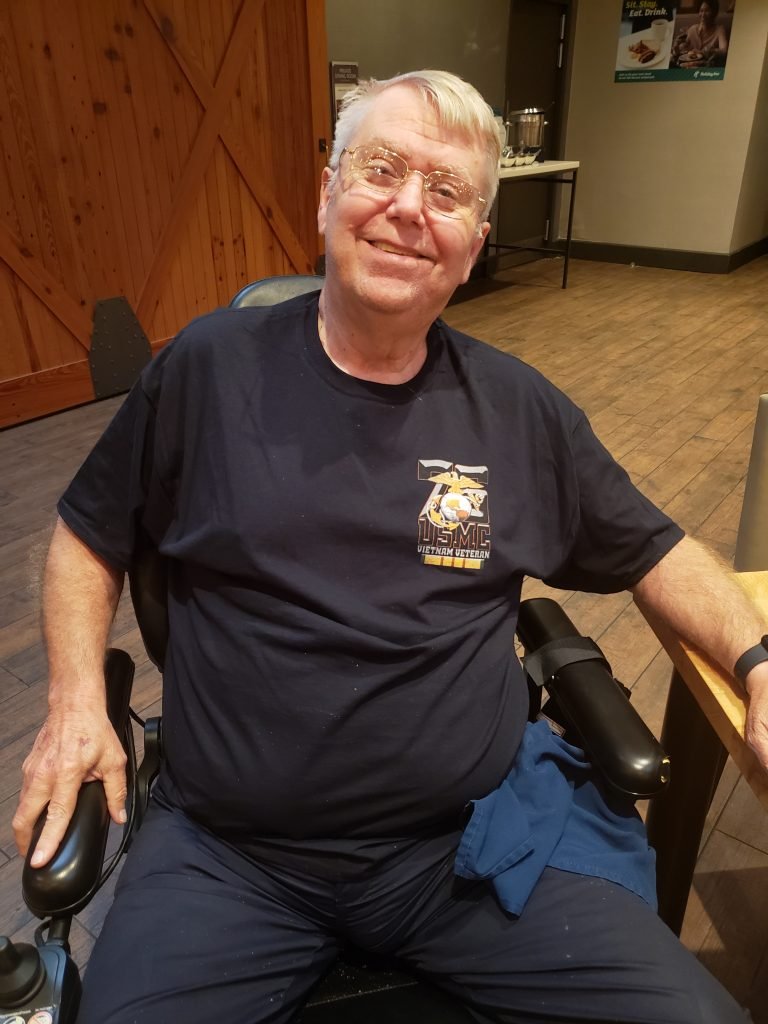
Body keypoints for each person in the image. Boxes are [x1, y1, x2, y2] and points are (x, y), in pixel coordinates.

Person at [12, 70, 767, 1024]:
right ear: (327, 193)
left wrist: (759, 662)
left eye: (446, 192)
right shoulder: (205, 371)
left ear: (473, 247)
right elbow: (87, 532)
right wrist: (76, 701)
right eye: (381, 170)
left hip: (473, 844)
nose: (410, 208)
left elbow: (659, 550)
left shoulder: (517, 409)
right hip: (230, 856)